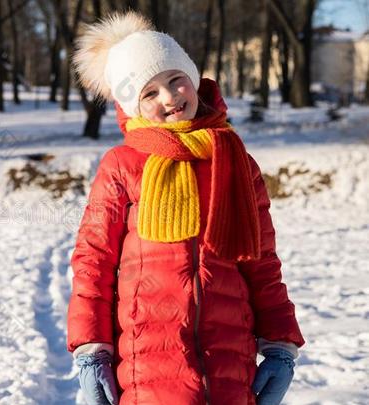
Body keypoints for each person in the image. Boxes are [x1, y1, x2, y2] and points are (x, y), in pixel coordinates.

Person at [66, 11, 305, 405]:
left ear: (193, 79)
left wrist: (280, 343)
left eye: (176, 80)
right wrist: (92, 348)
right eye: (150, 92)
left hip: (230, 360)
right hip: (146, 364)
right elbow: (94, 260)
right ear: (134, 106)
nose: (169, 97)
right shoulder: (122, 166)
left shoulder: (236, 161)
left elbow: (262, 261)